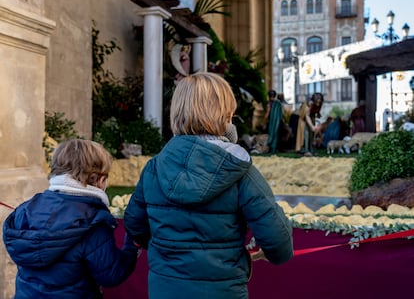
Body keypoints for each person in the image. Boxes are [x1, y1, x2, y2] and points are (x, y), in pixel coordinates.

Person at [124, 72, 293, 299]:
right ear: (226, 115)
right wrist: (269, 253)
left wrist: (169, 249)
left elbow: (135, 225)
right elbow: (278, 240)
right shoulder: (241, 171)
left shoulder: (154, 169)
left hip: (166, 288)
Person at [2, 139, 140, 299]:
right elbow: (111, 274)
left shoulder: (26, 209)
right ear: (101, 180)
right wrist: (132, 245)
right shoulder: (92, 221)